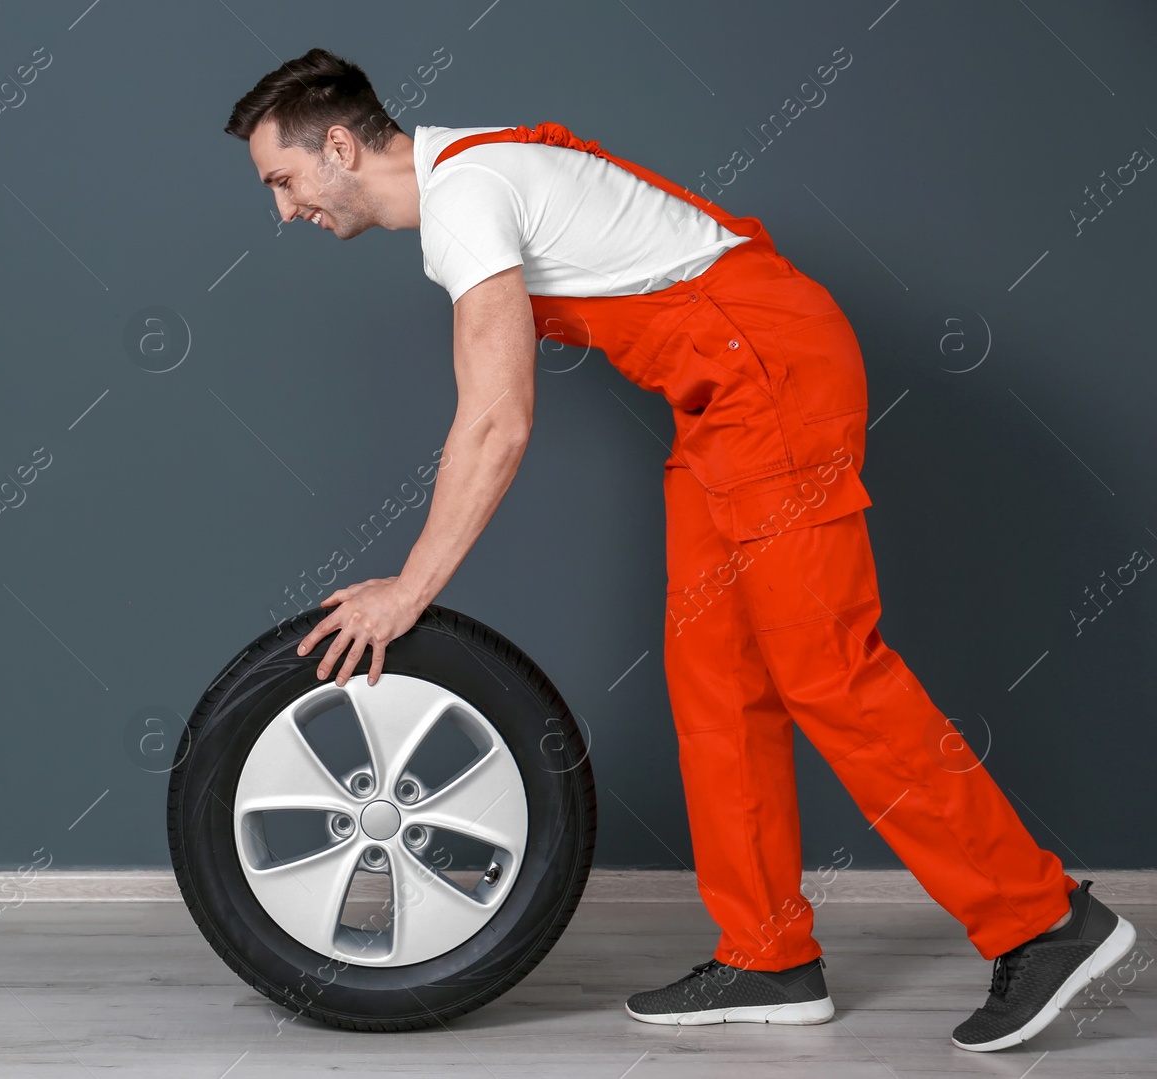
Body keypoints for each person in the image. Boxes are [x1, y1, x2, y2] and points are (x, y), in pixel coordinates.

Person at [223, 47, 1136, 1052]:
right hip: (720, 397)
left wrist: (411, 587)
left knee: (826, 669)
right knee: (717, 673)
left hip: (768, 371)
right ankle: (766, 951)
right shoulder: (467, 183)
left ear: (341, 145)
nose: (283, 209)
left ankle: (1044, 920)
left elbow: (495, 420)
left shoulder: (466, 194)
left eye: (283, 179)